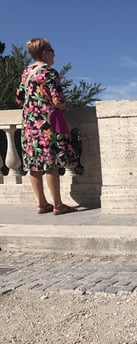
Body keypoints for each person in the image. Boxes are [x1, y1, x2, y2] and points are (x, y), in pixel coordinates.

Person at [15, 38, 78, 214]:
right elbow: (57, 100)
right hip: (46, 123)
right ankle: (58, 204)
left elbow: (19, 98)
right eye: (52, 51)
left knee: (33, 164)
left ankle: (42, 204)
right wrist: (64, 107)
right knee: (51, 163)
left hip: (29, 123)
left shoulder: (26, 72)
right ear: (44, 53)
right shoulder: (49, 72)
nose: (54, 55)